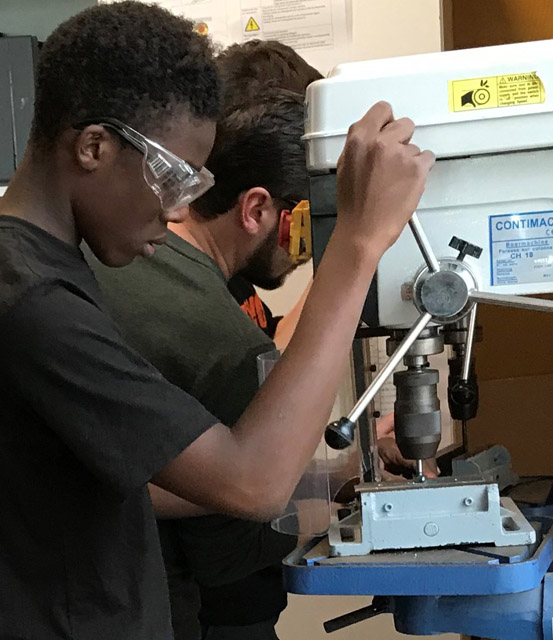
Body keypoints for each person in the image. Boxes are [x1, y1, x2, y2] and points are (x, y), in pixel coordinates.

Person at [0, 2, 435, 638]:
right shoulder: (33, 300)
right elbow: (255, 484)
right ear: (93, 147)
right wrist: (358, 243)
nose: (179, 212)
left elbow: (113, 481)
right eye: (172, 178)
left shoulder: (52, 269)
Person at [90, 87, 425, 640]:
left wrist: (334, 474)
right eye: (309, 230)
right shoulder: (219, 340)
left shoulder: (118, 260)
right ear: (257, 209)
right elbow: (231, 547)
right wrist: (336, 502)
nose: (305, 252)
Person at [216, 40, 323, 349]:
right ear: (256, 210)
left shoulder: (232, 275)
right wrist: (348, 259)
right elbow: (275, 375)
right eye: (303, 223)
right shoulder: (196, 303)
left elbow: (270, 342)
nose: (308, 250)